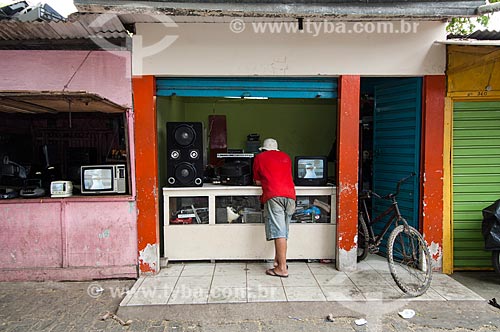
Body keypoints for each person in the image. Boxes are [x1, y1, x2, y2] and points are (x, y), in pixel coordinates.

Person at [253, 138, 296, 278]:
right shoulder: (286, 157)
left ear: (264, 149)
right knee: (283, 232)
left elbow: (257, 181)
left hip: (274, 195)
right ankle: (278, 262)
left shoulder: (260, 157)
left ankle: (282, 268)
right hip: (290, 196)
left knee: (279, 233)